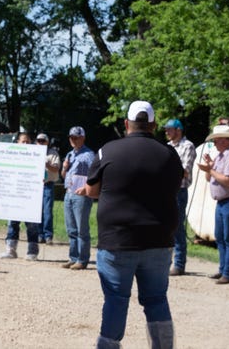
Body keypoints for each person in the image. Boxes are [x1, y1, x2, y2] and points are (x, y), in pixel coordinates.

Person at [79, 100, 183, 349]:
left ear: (126, 124)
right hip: (159, 241)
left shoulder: (108, 151)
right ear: (154, 125)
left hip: (118, 240)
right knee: (157, 299)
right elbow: (177, 184)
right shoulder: (170, 154)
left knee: (116, 300)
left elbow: (93, 190)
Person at [197, 124, 229, 285]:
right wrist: (210, 168)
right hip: (224, 201)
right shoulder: (222, 155)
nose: (214, 144)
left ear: (225, 140)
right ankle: (223, 269)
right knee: (220, 236)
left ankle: (228, 273)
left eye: (216, 140)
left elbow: (228, 180)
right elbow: (209, 178)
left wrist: (210, 170)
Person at [0, 132, 41, 261]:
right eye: (23, 141)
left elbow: (42, 175)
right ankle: (10, 250)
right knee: (12, 223)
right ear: (17, 142)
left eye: (28, 141)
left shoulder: (36, 157)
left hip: (30, 195)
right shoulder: (10, 156)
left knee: (32, 224)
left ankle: (32, 251)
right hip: (14, 195)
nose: (26, 144)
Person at [163, 119, 196, 276]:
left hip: (179, 190)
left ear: (178, 130)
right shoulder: (168, 147)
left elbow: (185, 170)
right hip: (167, 190)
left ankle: (179, 263)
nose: (167, 132)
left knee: (177, 227)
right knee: (166, 226)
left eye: (169, 129)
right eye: (166, 129)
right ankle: (167, 261)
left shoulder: (187, 146)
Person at [60, 126, 95, 270]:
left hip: (81, 195)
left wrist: (87, 188)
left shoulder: (89, 155)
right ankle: (73, 257)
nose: (73, 140)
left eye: (76, 137)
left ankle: (82, 259)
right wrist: (64, 167)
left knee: (82, 229)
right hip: (68, 193)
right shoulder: (69, 155)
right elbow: (63, 176)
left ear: (83, 138)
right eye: (71, 137)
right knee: (71, 229)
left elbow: (94, 174)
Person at [36, 133, 60, 244]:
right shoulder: (33, 152)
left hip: (48, 185)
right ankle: (39, 234)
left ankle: (48, 235)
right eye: (39, 140)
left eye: (43, 141)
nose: (41, 142)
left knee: (47, 211)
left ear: (47, 142)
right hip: (35, 186)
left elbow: (56, 169)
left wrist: (46, 164)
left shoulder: (53, 153)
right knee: (37, 211)